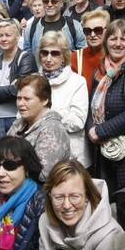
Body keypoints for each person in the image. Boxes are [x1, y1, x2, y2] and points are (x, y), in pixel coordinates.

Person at [87, 20, 125, 193]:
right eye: (113, 39)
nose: (118, 44)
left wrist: (101, 131)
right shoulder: (100, 72)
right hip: (103, 149)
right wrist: (92, 129)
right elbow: (92, 106)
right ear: (106, 41)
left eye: (123, 39)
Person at [35, 32, 89, 166]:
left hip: (70, 156)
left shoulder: (77, 82)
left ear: (64, 57)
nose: (48, 58)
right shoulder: (33, 80)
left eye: (54, 53)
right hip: (38, 155)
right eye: (44, 53)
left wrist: (45, 116)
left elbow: (78, 121)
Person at [0, 18, 36, 137]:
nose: (3, 39)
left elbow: (18, 90)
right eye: (0, 35)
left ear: (17, 37)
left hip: (17, 120)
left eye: (8, 35)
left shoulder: (26, 58)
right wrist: (6, 90)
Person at [8, 74, 70, 177]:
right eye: (19, 98)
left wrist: (9, 164)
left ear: (45, 100)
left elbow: (44, 175)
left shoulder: (53, 129)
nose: (20, 103)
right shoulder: (18, 123)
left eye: (27, 99)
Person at [21, 0, 86, 59]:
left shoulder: (74, 25)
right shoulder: (31, 28)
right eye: (46, 1)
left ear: (61, 3)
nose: (49, 4)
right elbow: (27, 56)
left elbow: (83, 53)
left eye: (54, 2)